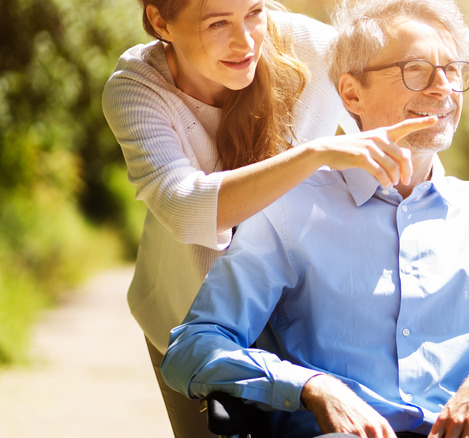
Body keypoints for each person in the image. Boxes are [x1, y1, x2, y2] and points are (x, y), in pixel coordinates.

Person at [160, 0, 469, 437]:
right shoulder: (287, 213)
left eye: (453, 71)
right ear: (352, 93)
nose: (444, 89)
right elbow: (192, 349)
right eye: (416, 71)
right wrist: (311, 388)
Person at [102, 0, 435, 436]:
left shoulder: (316, 49)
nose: (245, 41)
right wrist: (315, 155)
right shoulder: (136, 88)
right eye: (217, 23)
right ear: (160, 21)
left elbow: (389, 157)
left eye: (254, 12)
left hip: (303, 326)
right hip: (195, 328)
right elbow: (186, 208)